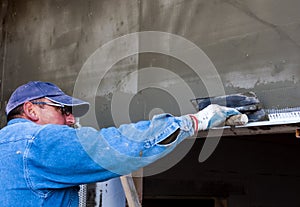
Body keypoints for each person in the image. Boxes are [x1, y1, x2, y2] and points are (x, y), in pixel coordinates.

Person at [0, 81, 244, 207]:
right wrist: (193, 121)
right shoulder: (37, 142)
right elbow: (114, 147)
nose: (71, 118)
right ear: (31, 109)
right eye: (63, 110)